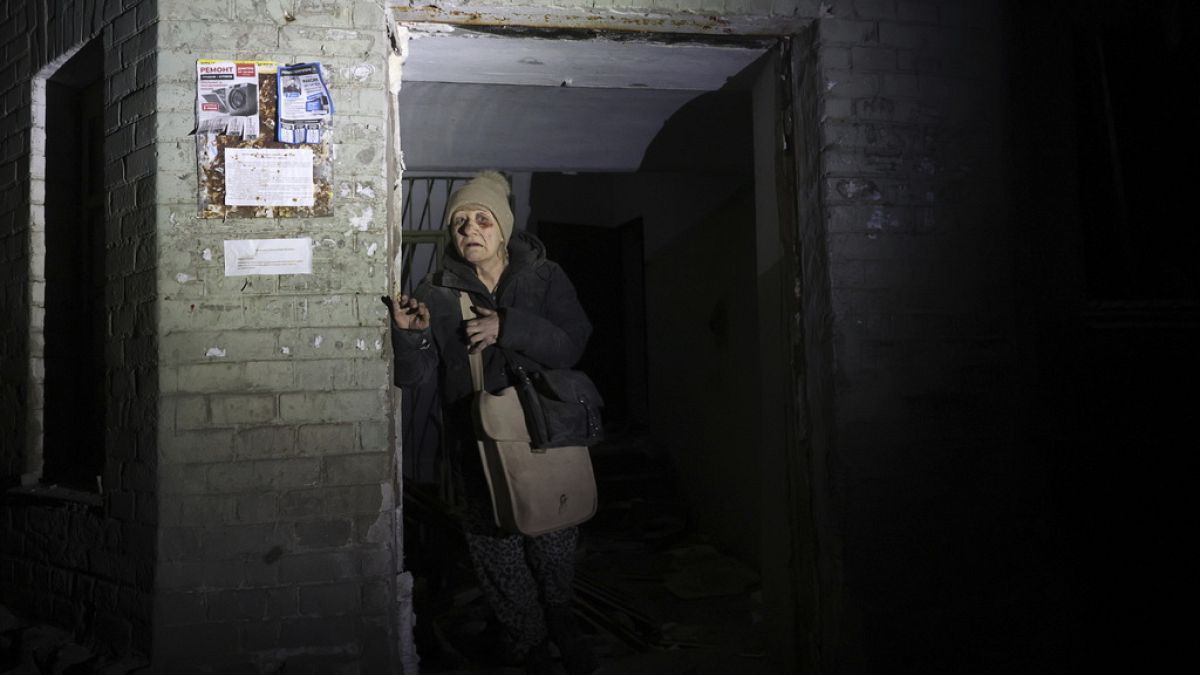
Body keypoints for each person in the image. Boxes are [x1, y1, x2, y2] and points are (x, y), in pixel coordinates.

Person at [386, 171, 598, 675]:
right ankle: (526, 642)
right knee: (497, 553)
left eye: (482, 220)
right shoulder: (435, 292)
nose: (470, 230)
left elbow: (573, 343)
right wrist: (410, 337)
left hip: (548, 438)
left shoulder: (546, 277)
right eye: (460, 222)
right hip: (476, 447)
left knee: (552, 540)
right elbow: (414, 380)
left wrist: (510, 327)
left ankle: (562, 626)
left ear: (502, 229)